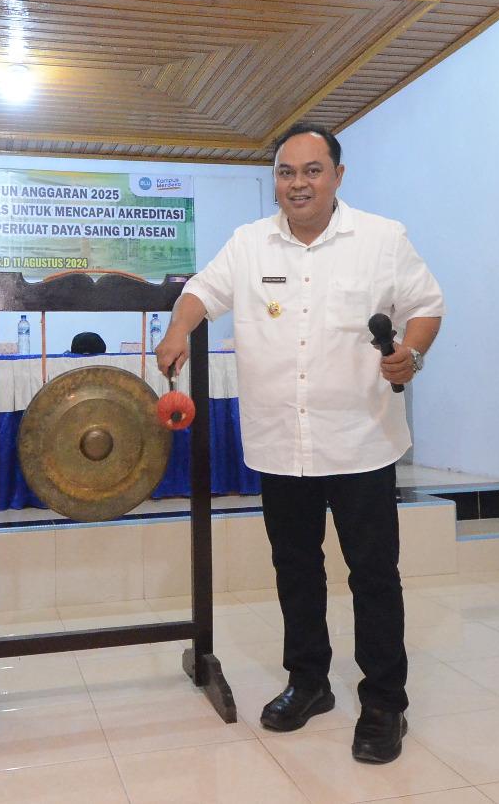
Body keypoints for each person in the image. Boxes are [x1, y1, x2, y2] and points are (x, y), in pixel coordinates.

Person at [155, 123, 443, 765]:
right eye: (286, 173)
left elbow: (426, 304)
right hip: (281, 443)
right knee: (296, 571)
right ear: (275, 181)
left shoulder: (382, 238)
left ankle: (384, 702)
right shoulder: (249, 243)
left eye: (313, 170)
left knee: (373, 576)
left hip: (362, 442)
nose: (298, 183)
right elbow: (201, 291)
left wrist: (411, 354)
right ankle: (309, 683)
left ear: (339, 175)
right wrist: (179, 327)